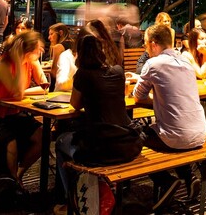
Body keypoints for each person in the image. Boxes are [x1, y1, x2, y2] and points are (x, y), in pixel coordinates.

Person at [54, 32, 142, 208]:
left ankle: (70, 200)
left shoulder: (83, 74)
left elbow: (75, 104)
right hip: (129, 143)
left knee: (60, 141)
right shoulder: (117, 71)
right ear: (101, 51)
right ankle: (101, 188)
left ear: (80, 53)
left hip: (102, 148)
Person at [133, 24, 206, 210]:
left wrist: (158, 101)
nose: (146, 49)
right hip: (199, 134)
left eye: (146, 45)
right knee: (172, 130)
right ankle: (189, 177)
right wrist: (163, 101)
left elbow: (138, 96)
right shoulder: (186, 64)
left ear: (154, 44)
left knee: (133, 135)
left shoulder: (153, 64)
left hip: (176, 138)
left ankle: (166, 181)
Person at [0, 30, 47, 187]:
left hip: (12, 114)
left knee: (42, 136)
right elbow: (18, 93)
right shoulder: (3, 64)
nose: (42, 51)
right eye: (38, 48)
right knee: (10, 140)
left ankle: (18, 175)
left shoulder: (30, 62)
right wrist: (20, 62)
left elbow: (44, 86)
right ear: (26, 50)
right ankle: (12, 185)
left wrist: (33, 63)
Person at [47, 23, 76, 92]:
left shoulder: (58, 47)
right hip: (72, 85)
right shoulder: (73, 44)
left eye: (51, 34)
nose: (49, 37)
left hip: (59, 86)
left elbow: (54, 72)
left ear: (60, 33)